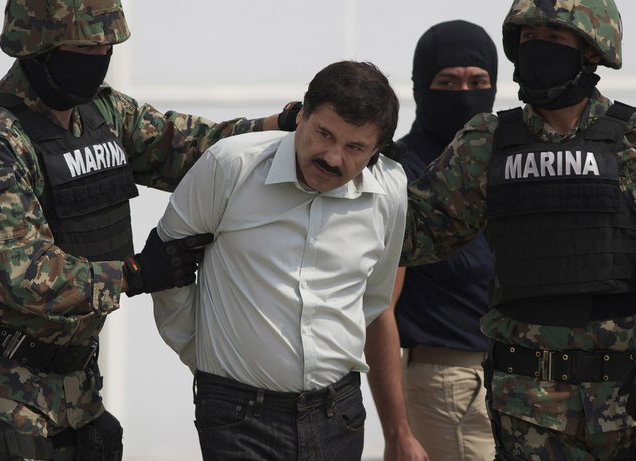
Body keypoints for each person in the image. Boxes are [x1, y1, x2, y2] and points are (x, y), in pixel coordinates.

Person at [0, 1, 294, 460]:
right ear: (38, 46)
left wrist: (282, 127)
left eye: (106, 45)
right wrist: (135, 274)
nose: (100, 56)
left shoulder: (101, 113)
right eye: (84, 46)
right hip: (6, 398)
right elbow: (23, 275)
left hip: (77, 393)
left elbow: (188, 147)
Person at [152, 60, 423, 461]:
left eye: (354, 148)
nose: (333, 158)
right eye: (324, 134)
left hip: (340, 415)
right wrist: (206, 357)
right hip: (237, 415)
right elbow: (165, 266)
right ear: (301, 116)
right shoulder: (229, 167)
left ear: (376, 151)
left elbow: (372, 297)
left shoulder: (391, 191)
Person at [401, 0, 636, 459]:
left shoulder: (629, 142)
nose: (536, 50)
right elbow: (413, 235)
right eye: (527, 40)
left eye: (552, 40)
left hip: (625, 402)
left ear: (591, 50)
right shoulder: (484, 143)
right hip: (529, 407)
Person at [380, 20, 498, 461]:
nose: (464, 92)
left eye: (478, 80)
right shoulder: (404, 174)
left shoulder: (500, 162)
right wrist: (396, 433)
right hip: (449, 386)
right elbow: (380, 311)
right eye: (447, 81)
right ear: (420, 86)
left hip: (515, 384)